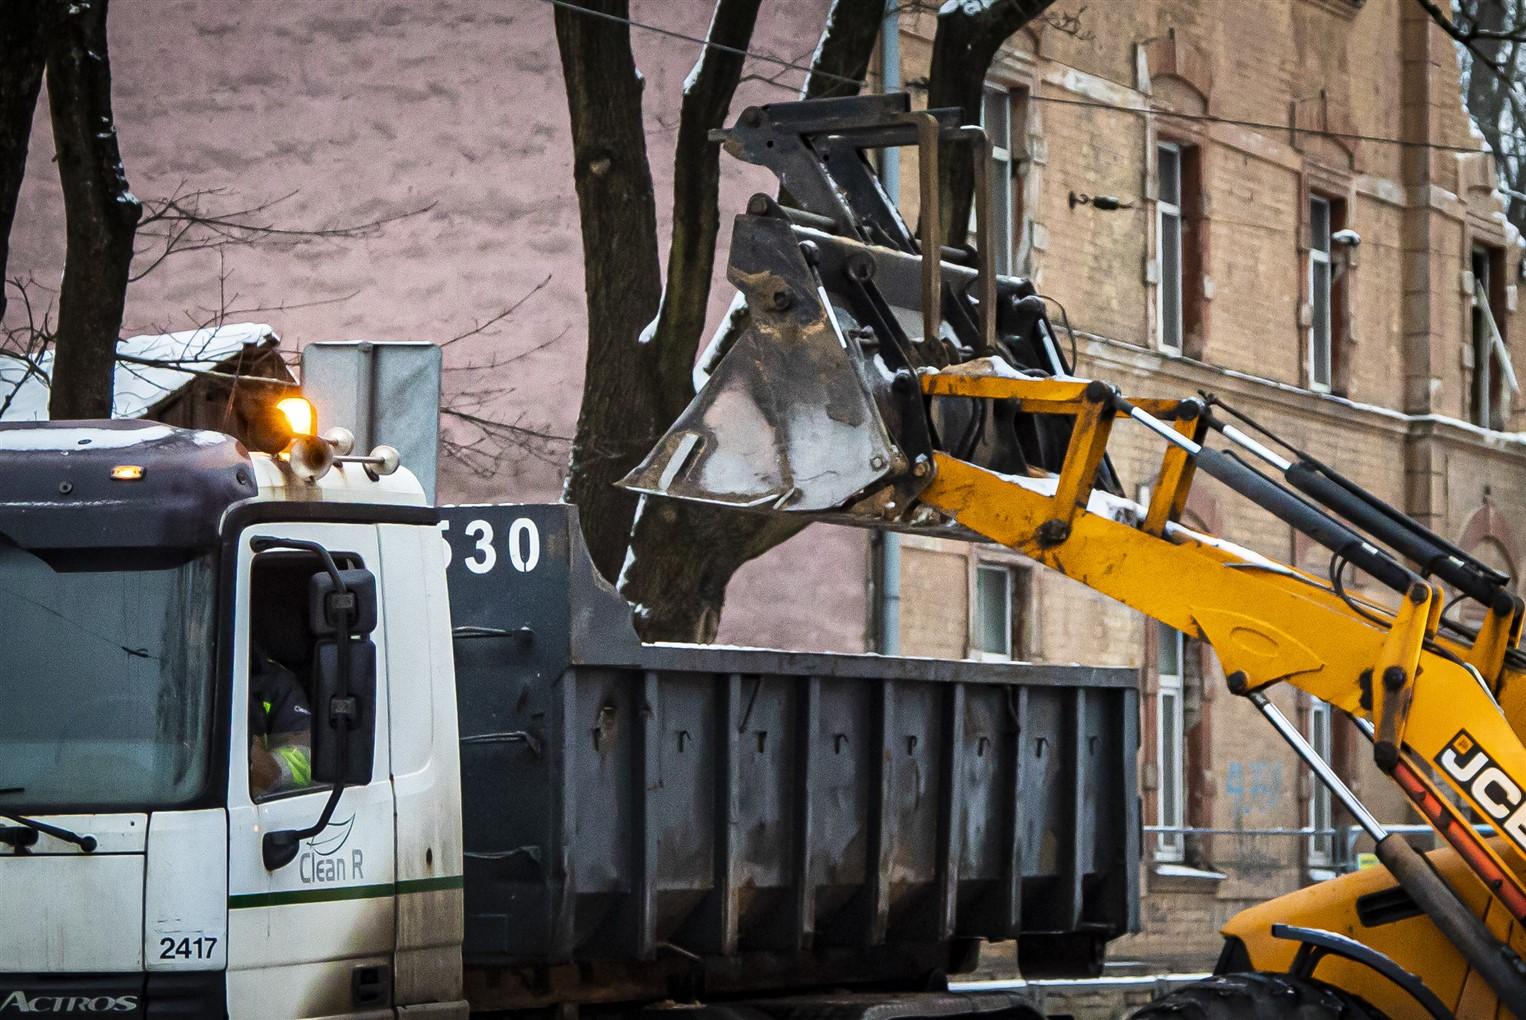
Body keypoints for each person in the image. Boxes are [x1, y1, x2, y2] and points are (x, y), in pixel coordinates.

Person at [249, 648, 314, 799]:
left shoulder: (275, 681)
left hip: (258, 804)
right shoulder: (186, 676)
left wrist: (272, 767)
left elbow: (306, 753)